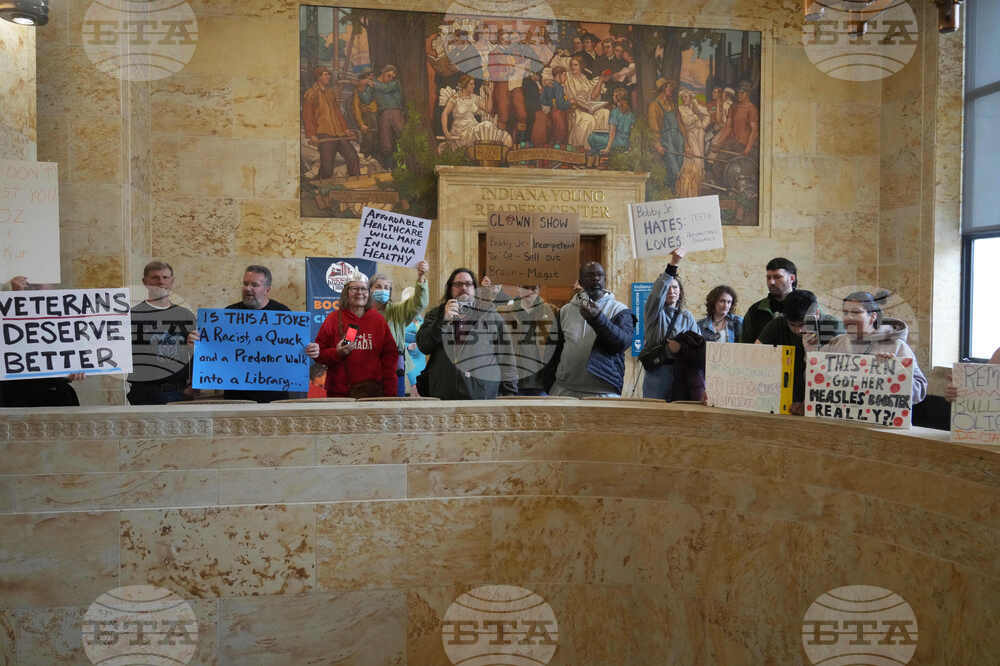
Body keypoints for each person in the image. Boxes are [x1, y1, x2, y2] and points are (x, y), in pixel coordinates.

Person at [187, 265, 310, 403]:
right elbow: (214, 351)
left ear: (267, 289)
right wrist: (198, 344)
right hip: (236, 397)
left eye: (254, 285)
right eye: (245, 284)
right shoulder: (228, 314)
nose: (248, 288)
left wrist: (310, 350)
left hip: (274, 395)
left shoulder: (283, 314)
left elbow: (294, 351)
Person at [416, 268, 517, 399]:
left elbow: (507, 357)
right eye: (458, 284)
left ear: (475, 288)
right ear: (450, 288)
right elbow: (424, 346)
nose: (463, 288)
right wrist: (443, 320)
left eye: (468, 284)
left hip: (481, 394)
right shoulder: (436, 314)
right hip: (444, 394)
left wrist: (510, 394)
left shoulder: (490, 315)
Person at [823, 291, 927, 405]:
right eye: (845, 312)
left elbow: (919, 391)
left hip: (882, 414)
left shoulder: (897, 346)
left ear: (872, 317)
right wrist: (810, 349)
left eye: (855, 312)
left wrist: (896, 371)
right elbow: (816, 378)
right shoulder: (836, 343)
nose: (848, 317)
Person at [550, 262, 635, 398]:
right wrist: (548, 384)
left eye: (600, 275)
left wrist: (598, 319)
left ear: (605, 280)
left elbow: (622, 344)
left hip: (603, 392)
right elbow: (555, 349)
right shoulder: (565, 310)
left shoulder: (620, 310)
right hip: (565, 388)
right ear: (580, 282)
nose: (596, 278)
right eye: (590, 275)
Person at [0, 276, 83, 407]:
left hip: (55, 394)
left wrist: (75, 369)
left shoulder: (67, 323)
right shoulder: (6, 316)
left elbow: (80, 358)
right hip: (12, 395)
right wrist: (10, 296)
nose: (33, 287)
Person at [756, 289, 843, 415]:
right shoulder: (778, 323)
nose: (798, 330)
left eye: (803, 324)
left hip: (823, 402)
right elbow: (754, 353)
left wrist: (809, 403)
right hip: (785, 400)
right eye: (792, 325)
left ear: (817, 314)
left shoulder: (833, 327)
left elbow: (839, 375)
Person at [312, 271, 398, 398]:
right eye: (354, 288)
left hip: (373, 393)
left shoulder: (378, 320)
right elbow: (319, 355)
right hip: (340, 394)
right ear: (346, 292)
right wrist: (337, 353)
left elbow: (390, 357)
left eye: (363, 289)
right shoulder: (333, 319)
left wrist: (390, 392)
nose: (359, 292)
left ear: (369, 293)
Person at [127, 260, 196, 405]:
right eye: (155, 277)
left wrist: (194, 385)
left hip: (177, 391)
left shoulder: (185, 315)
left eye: (165, 277)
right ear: (145, 282)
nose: (161, 282)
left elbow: (198, 353)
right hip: (143, 392)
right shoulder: (132, 315)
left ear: (172, 281)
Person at [641, 250, 699, 400]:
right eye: (668, 288)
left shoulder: (687, 317)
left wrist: (680, 348)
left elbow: (697, 347)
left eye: (675, 287)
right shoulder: (654, 312)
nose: (671, 291)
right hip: (658, 373)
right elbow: (657, 294)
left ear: (680, 292)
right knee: (655, 410)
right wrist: (674, 263)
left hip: (681, 373)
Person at [369, 260, 430, 397]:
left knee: (394, 405)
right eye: (378, 287)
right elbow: (349, 337)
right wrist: (344, 347)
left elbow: (418, 304)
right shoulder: (362, 313)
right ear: (370, 289)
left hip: (394, 368)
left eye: (386, 287)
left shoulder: (397, 311)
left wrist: (421, 278)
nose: (383, 290)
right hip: (367, 369)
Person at [499, 285, 560, 396]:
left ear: (539, 290)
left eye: (533, 288)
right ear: (518, 288)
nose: (530, 292)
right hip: (513, 382)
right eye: (526, 287)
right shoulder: (504, 313)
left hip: (542, 382)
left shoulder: (552, 311)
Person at [302, 67, 361, 179]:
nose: (328, 77)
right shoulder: (311, 94)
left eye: (329, 74)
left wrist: (345, 129)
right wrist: (311, 135)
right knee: (327, 167)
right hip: (325, 134)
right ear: (318, 77)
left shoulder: (330, 93)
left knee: (353, 157)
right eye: (325, 74)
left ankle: (356, 182)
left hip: (339, 133)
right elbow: (307, 116)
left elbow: (338, 113)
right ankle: (321, 184)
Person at [440, 75, 512, 149]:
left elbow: (488, 109)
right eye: (471, 84)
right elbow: (444, 114)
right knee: (486, 125)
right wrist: (446, 132)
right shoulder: (455, 98)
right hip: (461, 130)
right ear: (465, 85)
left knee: (489, 126)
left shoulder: (474, 98)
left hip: (473, 127)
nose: (473, 86)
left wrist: (490, 94)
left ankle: (502, 146)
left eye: (474, 84)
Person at [741, 257, 798, 344]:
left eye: (777, 277)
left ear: (792, 278)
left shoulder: (807, 306)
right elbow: (745, 346)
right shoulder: (755, 310)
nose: (771, 282)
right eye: (768, 278)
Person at [359, 64, 405, 170]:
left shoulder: (395, 83)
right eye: (389, 75)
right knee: (386, 144)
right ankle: (389, 169)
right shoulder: (373, 85)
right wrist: (361, 87)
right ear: (383, 73)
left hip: (396, 113)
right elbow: (366, 100)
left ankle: (403, 167)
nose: (391, 78)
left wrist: (371, 83)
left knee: (402, 139)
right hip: (383, 115)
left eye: (392, 77)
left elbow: (386, 89)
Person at [564, 56, 611, 149]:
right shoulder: (568, 78)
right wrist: (584, 107)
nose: (573, 67)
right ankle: (584, 148)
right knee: (589, 119)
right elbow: (573, 99)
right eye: (571, 65)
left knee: (605, 113)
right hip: (576, 109)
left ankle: (600, 146)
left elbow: (593, 96)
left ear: (581, 66)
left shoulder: (584, 78)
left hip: (587, 107)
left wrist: (600, 80)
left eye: (576, 65)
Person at [648, 78, 684, 192]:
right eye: (669, 87)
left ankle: (673, 187)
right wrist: (657, 144)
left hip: (678, 137)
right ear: (663, 88)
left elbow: (680, 123)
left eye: (671, 87)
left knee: (680, 161)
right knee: (673, 165)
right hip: (666, 138)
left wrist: (686, 142)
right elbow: (654, 127)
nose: (671, 89)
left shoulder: (672, 104)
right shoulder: (654, 105)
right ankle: (672, 189)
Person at [675, 89, 711, 197]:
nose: (683, 99)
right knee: (694, 159)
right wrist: (696, 115)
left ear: (691, 98)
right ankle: (688, 190)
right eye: (682, 97)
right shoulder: (681, 109)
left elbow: (707, 116)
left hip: (699, 134)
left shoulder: (696, 106)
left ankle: (697, 187)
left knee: (700, 160)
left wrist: (702, 126)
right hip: (689, 134)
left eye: (686, 97)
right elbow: (686, 122)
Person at [588, 87, 634, 155]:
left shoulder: (615, 112)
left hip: (616, 142)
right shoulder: (630, 113)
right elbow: (631, 130)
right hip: (626, 143)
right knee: (599, 134)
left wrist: (608, 148)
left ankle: (601, 152)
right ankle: (599, 152)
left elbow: (612, 133)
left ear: (617, 98)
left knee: (591, 137)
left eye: (613, 95)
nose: (612, 97)